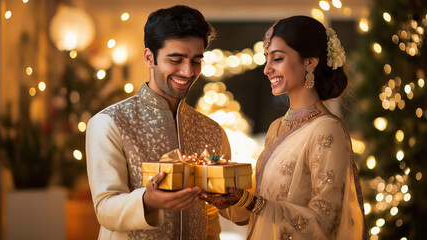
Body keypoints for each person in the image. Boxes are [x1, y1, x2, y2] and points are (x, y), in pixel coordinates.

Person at [200, 16, 365, 240]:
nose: (267, 69)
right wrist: (230, 196)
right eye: (266, 59)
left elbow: (326, 221)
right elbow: (261, 207)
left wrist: (252, 202)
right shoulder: (277, 127)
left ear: (310, 62)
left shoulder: (327, 130)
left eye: (277, 59)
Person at [86, 5, 231, 240]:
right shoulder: (109, 123)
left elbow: (210, 217)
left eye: (196, 61)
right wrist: (147, 200)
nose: (187, 71)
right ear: (149, 57)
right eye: (175, 59)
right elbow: (104, 209)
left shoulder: (212, 131)